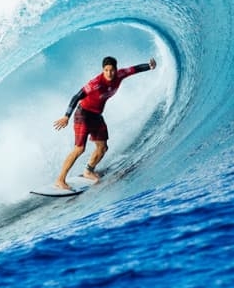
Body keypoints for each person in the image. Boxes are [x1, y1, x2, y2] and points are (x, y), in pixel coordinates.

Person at [52, 56, 157, 190]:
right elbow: (77, 96)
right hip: (83, 114)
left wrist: (149, 66)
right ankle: (60, 180)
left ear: (116, 69)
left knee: (102, 148)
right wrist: (66, 116)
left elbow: (134, 69)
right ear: (103, 70)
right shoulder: (95, 83)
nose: (109, 73)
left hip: (96, 115)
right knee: (79, 149)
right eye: (106, 70)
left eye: (112, 70)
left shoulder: (119, 75)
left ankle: (88, 171)